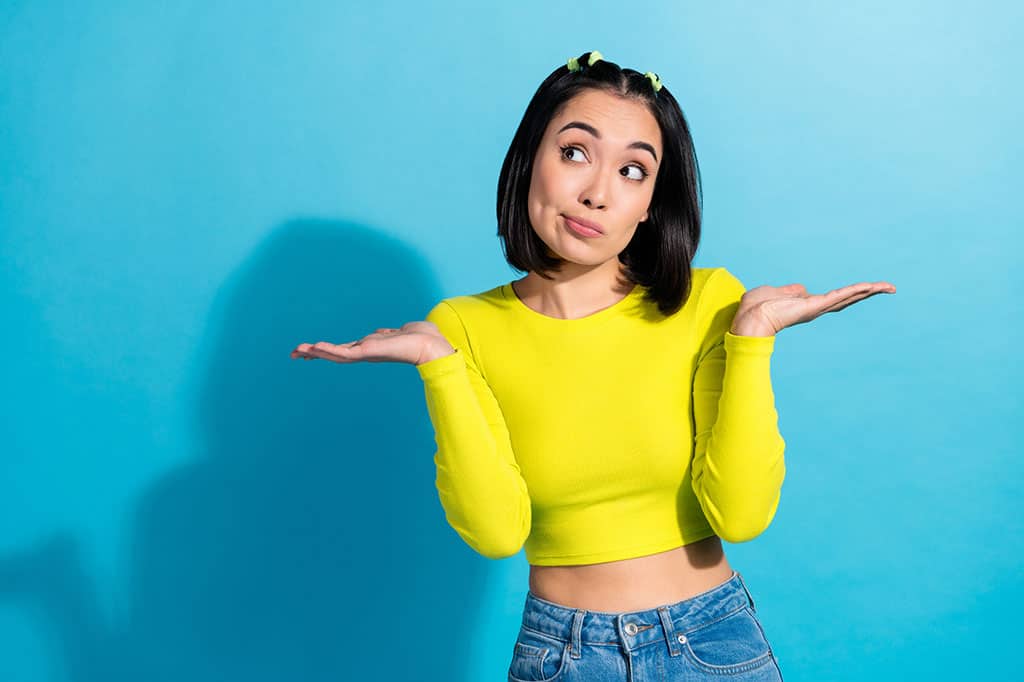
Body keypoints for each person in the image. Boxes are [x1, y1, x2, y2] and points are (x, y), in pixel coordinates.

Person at [291, 50, 895, 681]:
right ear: (531, 161)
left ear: (649, 205)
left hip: (710, 646)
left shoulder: (708, 302)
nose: (597, 193)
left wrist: (750, 340)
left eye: (633, 170)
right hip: (560, 655)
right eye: (575, 152)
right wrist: (438, 365)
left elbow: (742, 516)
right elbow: (497, 533)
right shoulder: (462, 329)